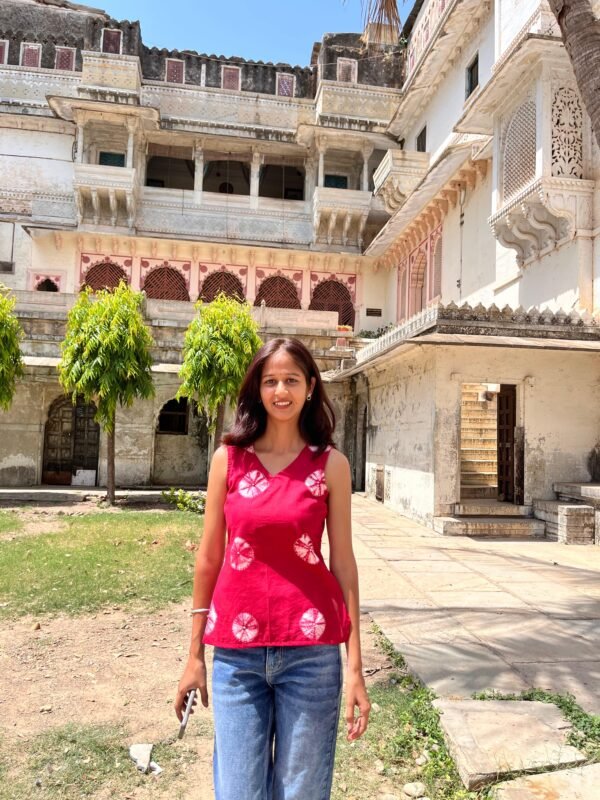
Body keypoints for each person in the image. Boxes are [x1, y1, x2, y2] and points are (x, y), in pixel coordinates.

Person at [174, 336, 370, 800]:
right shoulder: (229, 461)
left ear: (310, 387)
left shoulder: (331, 466)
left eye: (291, 380)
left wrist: (356, 666)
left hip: (312, 654)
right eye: (270, 381)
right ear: (257, 390)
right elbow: (209, 559)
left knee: (301, 792)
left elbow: (343, 563)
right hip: (236, 659)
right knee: (238, 791)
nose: (281, 391)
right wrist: (193, 655)